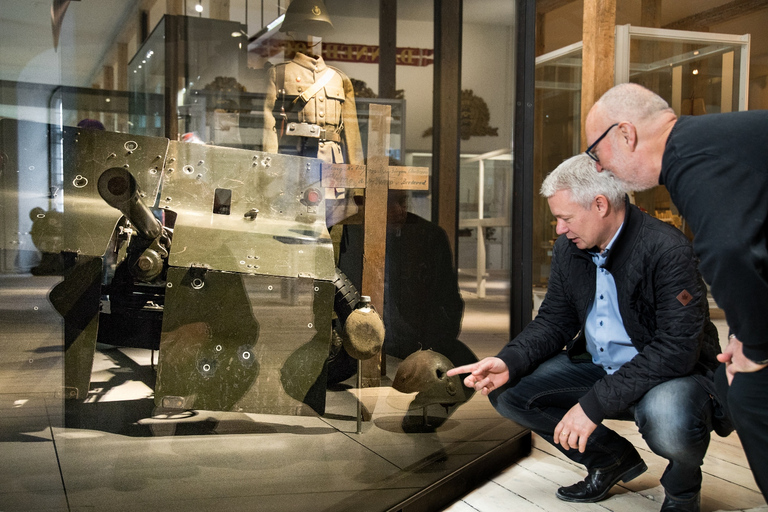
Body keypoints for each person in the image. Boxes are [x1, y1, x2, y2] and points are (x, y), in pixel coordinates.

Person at [448, 154, 725, 512]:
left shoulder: (667, 250)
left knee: (669, 419)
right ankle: (610, 460)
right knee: (510, 391)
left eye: (565, 218)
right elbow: (554, 321)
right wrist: (508, 360)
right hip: (601, 366)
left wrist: (593, 405)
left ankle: (682, 489)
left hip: (669, 377)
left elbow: (675, 350)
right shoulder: (570, 249)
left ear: (600, 205)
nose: (560, 229)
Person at [584, 82, 768, 500]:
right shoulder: (706, 143)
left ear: (626, 134)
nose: (597, 168)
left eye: (596, 152)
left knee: (750, 392)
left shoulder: (689, 159)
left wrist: (756, 348)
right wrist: (744, 334)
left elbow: (727, 249)